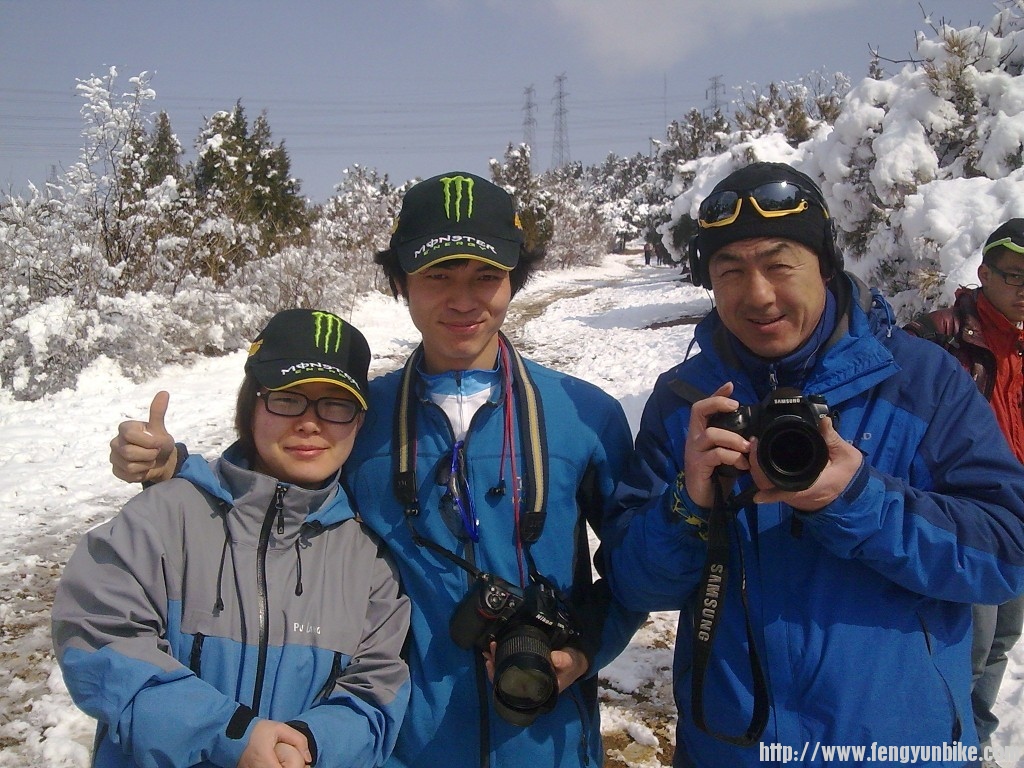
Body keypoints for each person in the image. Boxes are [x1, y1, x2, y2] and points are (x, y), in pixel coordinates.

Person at [108, 172, 646, 768]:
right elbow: (273, 491)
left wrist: (584, 648)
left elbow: (638, 568)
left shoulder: (583, 416)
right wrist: (176, 467)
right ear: (401, 281)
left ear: (514, 280)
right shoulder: (360, 416)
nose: (462, 300)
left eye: (486, 276)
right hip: (404, 744)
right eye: (437, 276)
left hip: (549, 738)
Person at [605, 162, 1024, 767]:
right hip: (734, 746)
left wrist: (859, 501)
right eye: (730, 271)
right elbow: (631, 583)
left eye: (779, 265)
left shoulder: (920, 383)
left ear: (824, 264)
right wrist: (687, 506)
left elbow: (1006, 555)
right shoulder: (686, 402)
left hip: (897, 746)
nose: (758, 295)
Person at [54, 309, 411, 768]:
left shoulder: (369, 562)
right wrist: (229, 734)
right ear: (251, 405)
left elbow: (378, 689)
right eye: (287, 398)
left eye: (336, 404)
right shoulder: (164, 518)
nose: (310, 422)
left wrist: (310, 743)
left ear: (358, 422)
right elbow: (98, 638)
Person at [905, 218, 1024, 763]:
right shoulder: (939, 336)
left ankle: (973, 734)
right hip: (968, 517)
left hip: (1019, 514)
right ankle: (947, 745)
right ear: (984, 274)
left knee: (1002, 641)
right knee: (968, 646)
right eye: (1015, 276)